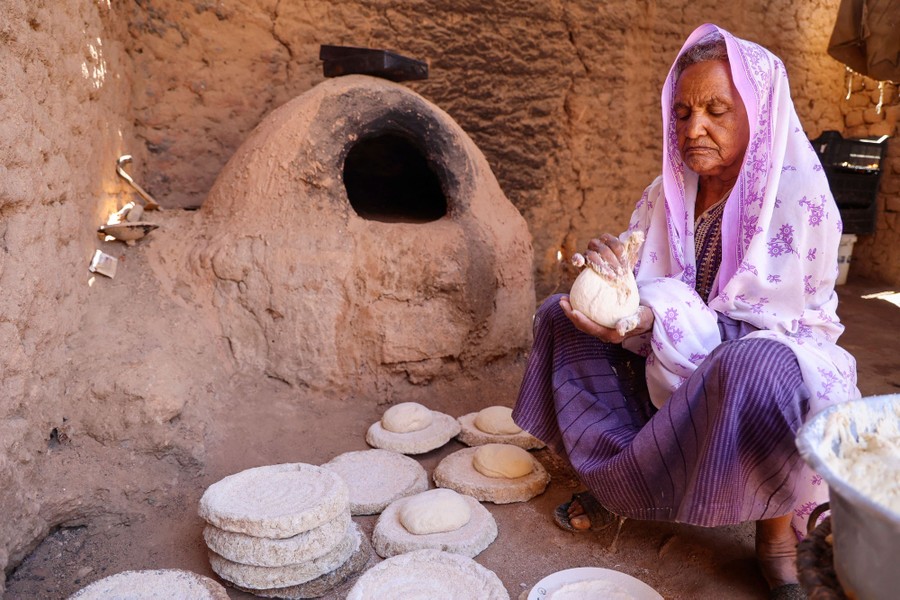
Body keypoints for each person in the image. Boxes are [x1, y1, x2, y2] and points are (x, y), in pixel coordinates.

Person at [512, 23, 860, 600]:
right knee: (558, 316)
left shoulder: (802, 199)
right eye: (682, 112)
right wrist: (611, 279)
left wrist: (656, 315)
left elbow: (772, 325)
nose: (693, 128)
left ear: (760, 113)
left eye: (717, 110)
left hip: (764, 357)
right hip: (672, 353)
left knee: (753, 367)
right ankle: (617, 481)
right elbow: (636, 280)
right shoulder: (664, 191)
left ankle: (772, 531)